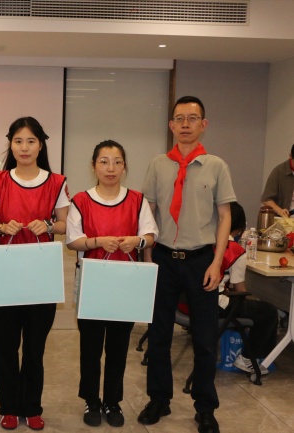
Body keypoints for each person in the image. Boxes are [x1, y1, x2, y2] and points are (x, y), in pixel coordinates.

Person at [139, 96, 236, 433]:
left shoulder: (217, 166)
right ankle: (159, 399)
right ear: (171, 125)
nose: (185, 124)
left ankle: (205, 407)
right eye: (179, 118)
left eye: (192, 118)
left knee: (205, 339)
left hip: (201, 261)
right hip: (163, 258)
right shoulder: (157, 165)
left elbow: (225, 216)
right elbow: (148, 213)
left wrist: (217, 262)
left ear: (203, 124)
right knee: (159, 335)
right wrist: (148, 260)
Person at [0, 117, 69, 431]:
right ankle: (8, 407)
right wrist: (1, 227)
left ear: (41, 145)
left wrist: (47, 225)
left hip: (41, 273)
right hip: (6, 271)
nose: (24, 147)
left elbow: (65, 224)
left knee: (35, 348)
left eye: (31, 141)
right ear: (10, 144)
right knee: (6, 346)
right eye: (18, 141)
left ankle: (32, 407)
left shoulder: (56, 182)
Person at [66, 140, 157, 428]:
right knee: (90, 347)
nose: (110, 168)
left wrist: (136, 241)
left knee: (118, 346)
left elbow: (150, 236)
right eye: (104, 161)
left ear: (124, 167)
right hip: (92, 283)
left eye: (117, 162)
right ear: (93, 166)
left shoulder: (137, 200)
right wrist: (97, 241)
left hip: (125, 285)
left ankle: (113, 401)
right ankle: (91, 400)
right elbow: (73, 241)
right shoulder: (81, 200)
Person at [218, 202, 279, 374]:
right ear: (240, 228)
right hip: (218, 305)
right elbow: (240, 290)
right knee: (268, 311)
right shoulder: (235, 251)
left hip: (192, 302)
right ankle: (248, 358)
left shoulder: (205, 242)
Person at [261, 144, 294, 218]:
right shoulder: (279, 171)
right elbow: (266, 199)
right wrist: (279, 210)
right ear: (290, 156)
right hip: (284, 219)